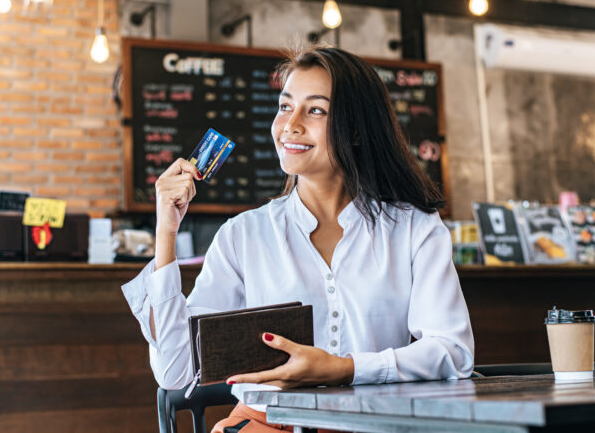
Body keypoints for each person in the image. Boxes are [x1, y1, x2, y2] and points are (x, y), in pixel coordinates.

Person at [122, 46, 474, 432]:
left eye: (316, 110)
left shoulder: (414, 229)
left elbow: (453, 353)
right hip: (266, 424)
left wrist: (345, 369)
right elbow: (176, 370)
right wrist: (166, 233)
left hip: (376, 424)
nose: (290, 124)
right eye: (284, 106)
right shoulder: (243, 236)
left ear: (356, 130)